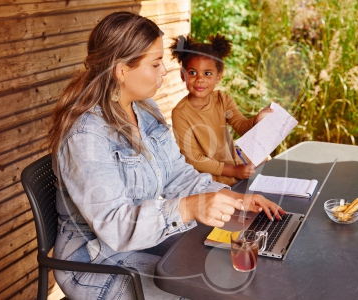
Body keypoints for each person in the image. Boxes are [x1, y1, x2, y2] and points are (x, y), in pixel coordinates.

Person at [48, 12, 285, 300]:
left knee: (234, 265)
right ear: (122, 70)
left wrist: (235, 198)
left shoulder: (144, 108)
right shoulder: (86, 136)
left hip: (144, 241)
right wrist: (189, 208)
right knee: (209, 288)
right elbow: (115, 226)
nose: (165, 72)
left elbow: (177, 174)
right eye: (156, 63)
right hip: (97, 262)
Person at [170, 34, 273, 186]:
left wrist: (257, 120)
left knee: (267, 160)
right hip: (208, 179)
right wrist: (233, 171)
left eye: (207, 73)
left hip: (234, 164)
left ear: (218, 77)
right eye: (192, 73)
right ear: (182, 75)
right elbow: (193, 158)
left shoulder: (223, 100)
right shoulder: (180, 113)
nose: (200, 79)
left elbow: (241, 125)